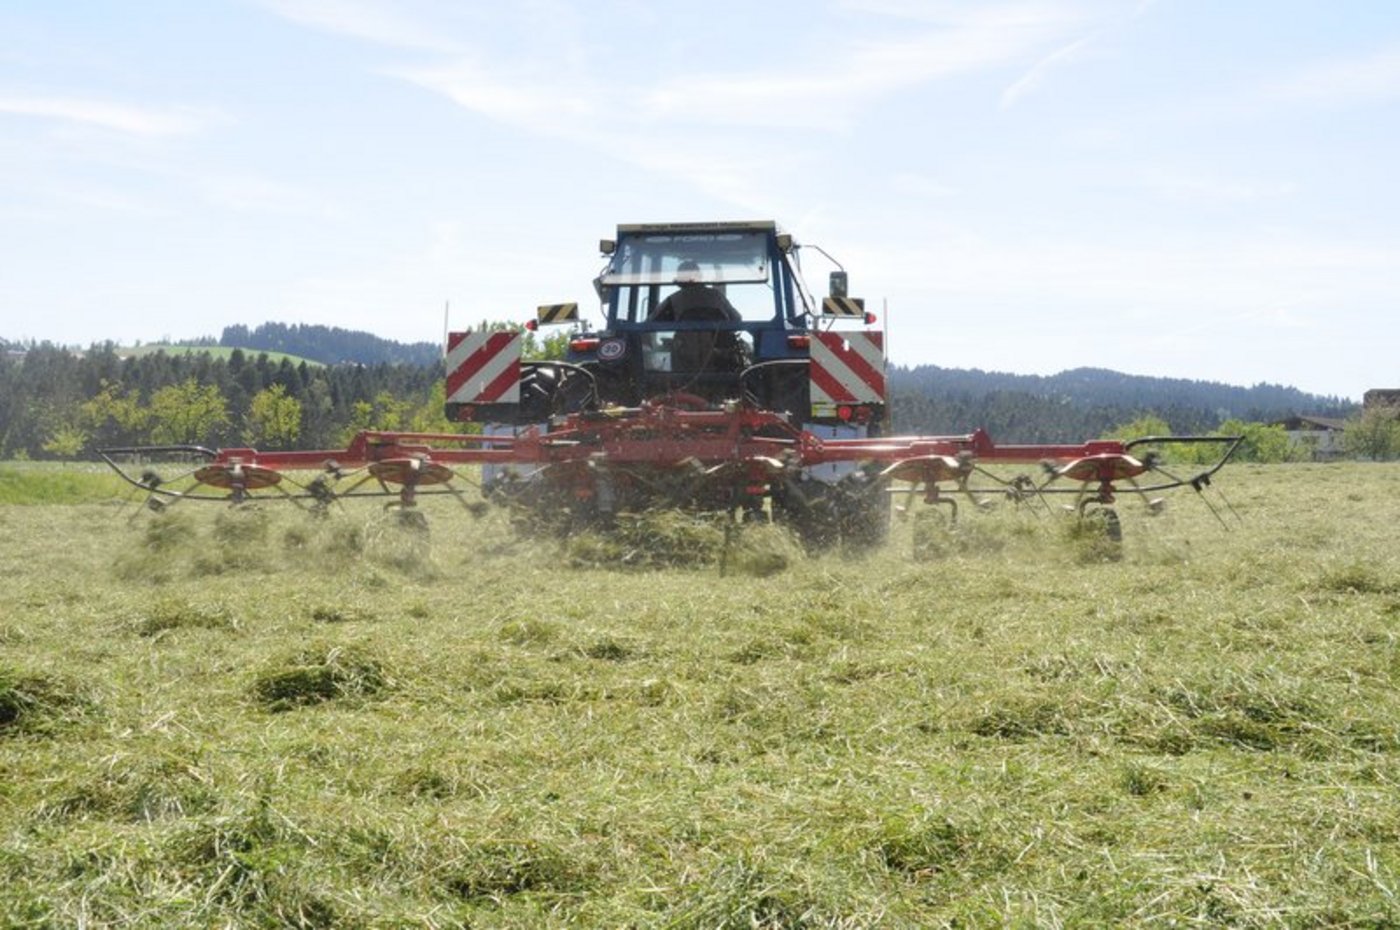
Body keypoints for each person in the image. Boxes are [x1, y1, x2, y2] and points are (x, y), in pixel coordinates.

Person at [649, 259, 740, 322]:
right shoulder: (716, 296)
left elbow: (650, 323)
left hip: (687, 349)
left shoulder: (674, 299)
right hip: (720, 348)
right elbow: (736, 319)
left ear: (680, 281)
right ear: (700, 277)